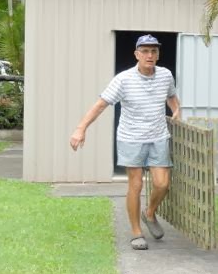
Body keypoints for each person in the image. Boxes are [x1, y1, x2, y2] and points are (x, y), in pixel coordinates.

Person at [69, 34, 181, 250]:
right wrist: (80, 128)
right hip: (131, 138)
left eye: (154, 51)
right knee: (136, 185)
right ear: (137, 54)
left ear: (158, 55)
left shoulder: (166, 75)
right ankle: (136, 232)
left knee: (162, 184)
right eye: (145, 51)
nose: (150, 55)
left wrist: (176, 109)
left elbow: (171, 96)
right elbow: (100, 104)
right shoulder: (123, 80)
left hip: (158, 137)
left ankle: (149, 213)